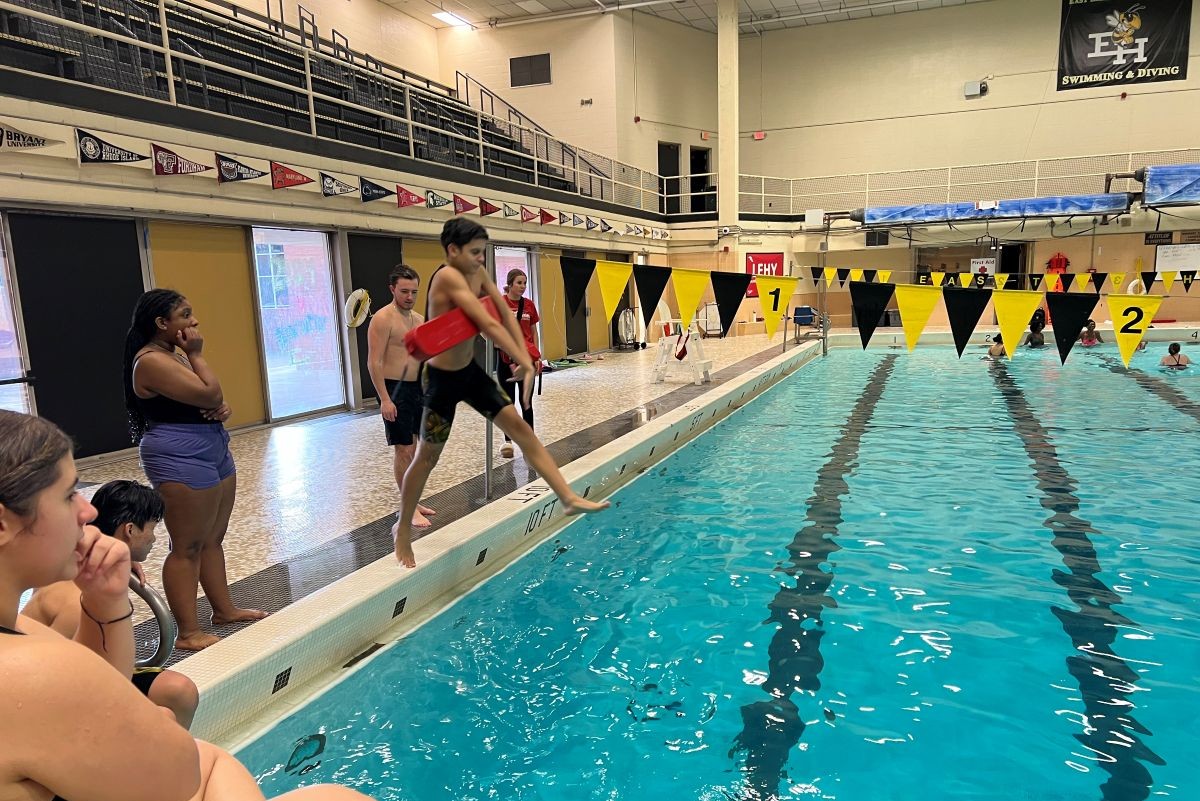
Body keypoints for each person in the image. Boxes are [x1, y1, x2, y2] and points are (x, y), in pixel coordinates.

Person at [0, 410, 373, 801]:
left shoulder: (23, 637)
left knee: (210, 757)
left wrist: (106, 601)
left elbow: (95, 688)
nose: (88, 512)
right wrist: (153, 725)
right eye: (67, 495)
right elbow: (177, 777)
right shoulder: (26, 670)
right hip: (170, 778)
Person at [393, 218, 610, 568]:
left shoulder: (476, 272)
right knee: (427, 458)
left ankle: (566, 497)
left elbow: (504, 313)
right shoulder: (448, 277)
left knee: (522, 430)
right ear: (453, 251)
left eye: (484, 252)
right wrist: (520, 358)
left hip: (470, 374)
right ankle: (402, 528)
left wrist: (525, 358)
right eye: (476, 252)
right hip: (441, 382)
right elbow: (487, 323)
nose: (482, 259)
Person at [123, 289, 265, 651]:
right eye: (185, 315)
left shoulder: (172, 356)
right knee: (186, 545)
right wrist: (198, 357)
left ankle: (224, 610)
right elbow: (209, 393)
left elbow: (209, 398)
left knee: (212, 538)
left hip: (211, 444)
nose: (194, 322)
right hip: (177, 452)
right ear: (161, 323)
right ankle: (187, 632)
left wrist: (221, 409)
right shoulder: (151, 360)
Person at [22, 479, 200, 728]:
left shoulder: (81, 562)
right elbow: (62, 684)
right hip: (52, 697)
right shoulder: (79, 601)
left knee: (179, 691)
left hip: (84, 675)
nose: (154, 539)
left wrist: (123, 562)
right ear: (130, 530)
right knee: (163, 718)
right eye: (152, 528)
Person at [366, 265, 436, 528]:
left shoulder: (418, 320)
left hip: (417, 388)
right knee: (403, 449)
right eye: (404, 291)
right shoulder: (383, 319)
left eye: (414, 292)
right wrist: (384, 398)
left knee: (416, 449)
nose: (409, 296)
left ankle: (413, 500)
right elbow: (374, 362)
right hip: (394, 390)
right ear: (392, 289)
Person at [495, 268, 542, 459]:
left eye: (524, 283)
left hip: (526, 360)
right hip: (505, 360)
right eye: (519, 283)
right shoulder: (499, 304)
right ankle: (508, 441)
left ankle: (529, 440)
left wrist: (537, 356)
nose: (522, 286)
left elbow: (534, 332)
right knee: (508, 403)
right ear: (510, 284)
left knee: (526, 402)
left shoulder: (529, 305)